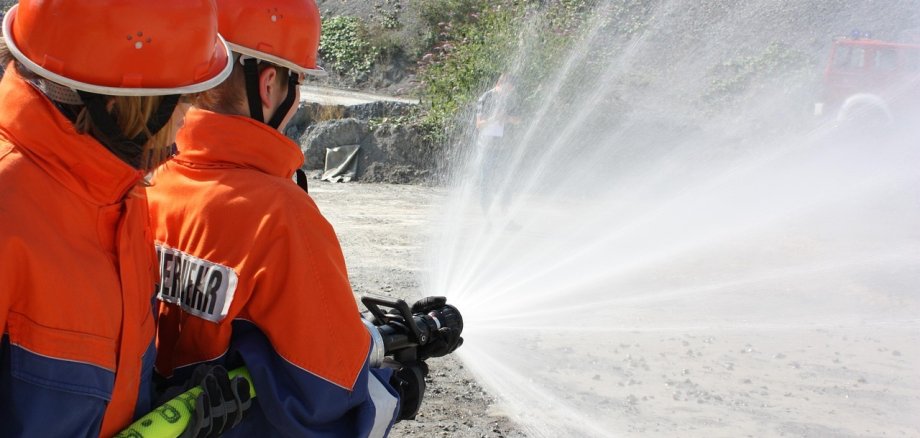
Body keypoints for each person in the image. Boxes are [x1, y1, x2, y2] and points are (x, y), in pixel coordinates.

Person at [147, 0, 459, 435]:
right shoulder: (280, 216)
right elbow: (328, 393)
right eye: (297, 81)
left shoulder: (152, 182)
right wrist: (397, 390)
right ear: (270, 84)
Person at [0, 0, 236, 436]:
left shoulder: (121, 195)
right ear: (124, 104)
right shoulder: (9, 206)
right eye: (183, 101)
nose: (186, 123)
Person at [475, 73, 520, 216]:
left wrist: (506, 118)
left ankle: (505, 215)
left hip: (505, 147)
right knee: (485, 181)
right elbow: (479, 125)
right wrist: (494, 118)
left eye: (510, 90)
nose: (508, 92)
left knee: (507, 180)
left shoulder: (510, 99)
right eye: (506, 89)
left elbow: (518, 120)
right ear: (499, 84)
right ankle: (485, 216)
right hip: (487, 147)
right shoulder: (486, 97)